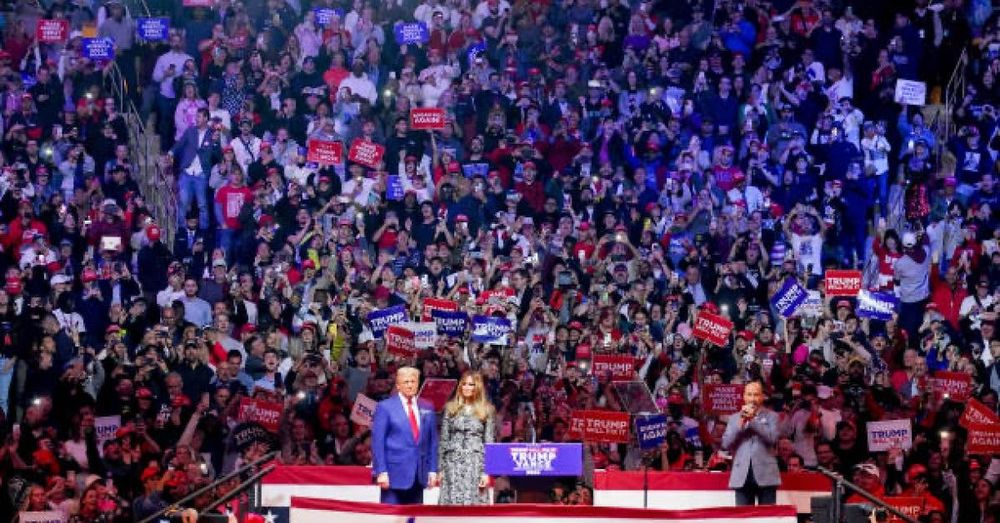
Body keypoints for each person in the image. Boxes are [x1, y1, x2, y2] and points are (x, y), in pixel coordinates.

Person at [371, 366, 439, 504]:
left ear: (418, 383)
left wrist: (433, 470)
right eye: (406, 382)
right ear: (398, 385)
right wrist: (381, 471)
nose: (410, 385)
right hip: (392, 474)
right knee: (391, 518)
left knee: (413, 519)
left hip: (418, 475)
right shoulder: (385, 407)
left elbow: (432, 442)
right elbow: (378, 442)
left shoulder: (427, 406)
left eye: (413, 381)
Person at [438, 371, 495, 505]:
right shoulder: (450, 408)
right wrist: (440, 468)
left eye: (471, 384)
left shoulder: (487, 410)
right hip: (452, 464)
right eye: (464, 384)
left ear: (478, 387)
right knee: (451, 506)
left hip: (475, 464)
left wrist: (486, 473)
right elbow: (444, 440)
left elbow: (489, 442)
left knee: (474, 505)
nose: (467, 387)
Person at [721, 381, 780, 506]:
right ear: (744, 396)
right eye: (749, 394)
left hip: (766, 474)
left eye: (756, 395)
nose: (752, 399)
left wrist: (752, 421)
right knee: (743, 518)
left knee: (768, 518)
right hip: (741, 474)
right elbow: (725, 444)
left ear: (762, 397)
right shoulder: (734, 418)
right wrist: (740, 425)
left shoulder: (772, 416)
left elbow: (773, 439)